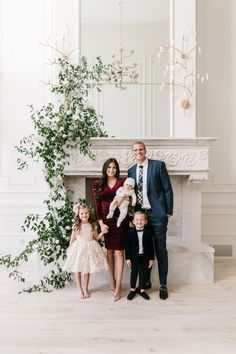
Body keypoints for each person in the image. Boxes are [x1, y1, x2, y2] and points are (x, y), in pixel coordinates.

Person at [128, 141, 173, 300]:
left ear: (145, 151)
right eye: (135, 150)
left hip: (157, 214)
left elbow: (167, 189)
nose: (138, 152)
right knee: (144, 249)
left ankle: (163, 285)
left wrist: (167, 212)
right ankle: (145, 282)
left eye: (141, 149)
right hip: (141, 217)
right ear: (132, 153)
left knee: (160, 249)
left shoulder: (158, 166)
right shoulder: (131, 171)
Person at [93, 158, 129, 301]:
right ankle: (112, 281)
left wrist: (124, 197)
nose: (111, 170)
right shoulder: (98, 184)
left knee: (119, 252)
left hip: (120, 221)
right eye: (109, 167)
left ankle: (119, 286)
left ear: (117, 169)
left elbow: (131, 198)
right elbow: (97, 206)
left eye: (114, 167)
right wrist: (101, 224)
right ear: (105, 169)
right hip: (106, 221)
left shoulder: (122, 182)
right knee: (109, 252)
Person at [63, 203, 108, 299]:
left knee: (87, 269)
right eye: (82, 213)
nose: (84, 215)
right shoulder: (76, 226)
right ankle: (80, 289)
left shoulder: (92, 225)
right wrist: (71, 251)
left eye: (86, 213)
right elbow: (72, 240)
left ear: (89, 213)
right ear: (78, 215)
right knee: (77, 269)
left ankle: (86, 288)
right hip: (79, 248)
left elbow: (96, 238)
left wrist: (103, 232)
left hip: (89, 248)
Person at [125, 211, 154, 301]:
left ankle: (142, 290)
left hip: (144, 257)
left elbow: (151, 247)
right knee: (134, 273)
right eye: (137, 219)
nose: (139, 221)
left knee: (143, 274)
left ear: (146, 221)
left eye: (142, 219)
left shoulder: (148, 233)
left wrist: (151, 259)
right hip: (134, 257)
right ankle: (132, 290)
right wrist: (128, 258)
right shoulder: (130, 232)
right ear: (133, 221)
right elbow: (127, 246)